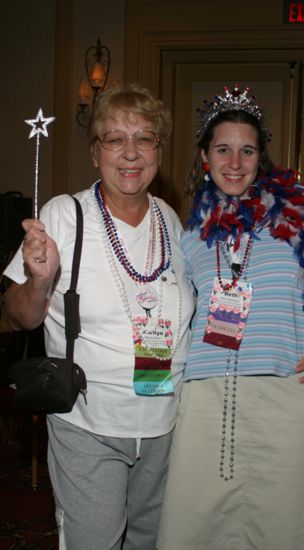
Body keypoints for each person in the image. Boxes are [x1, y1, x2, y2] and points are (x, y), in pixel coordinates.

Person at [156, 83, 304, 550]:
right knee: (194, 533)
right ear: (204, 158)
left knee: (287, 532)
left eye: (247, 150)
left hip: (287, 402)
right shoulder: (189, 240)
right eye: (223, 150)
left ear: (261, 158)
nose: (235, 163)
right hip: (205, 406)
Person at [3, 83, 195, 550]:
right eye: (114, 138)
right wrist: (39, 281)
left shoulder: (171, 220)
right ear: (95, 152)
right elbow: (18, 318)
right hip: (87, 421)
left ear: (159, 151)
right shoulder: (64, 216)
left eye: (145, 138)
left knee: (151, 541)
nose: (130, 152)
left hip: (166, 423)